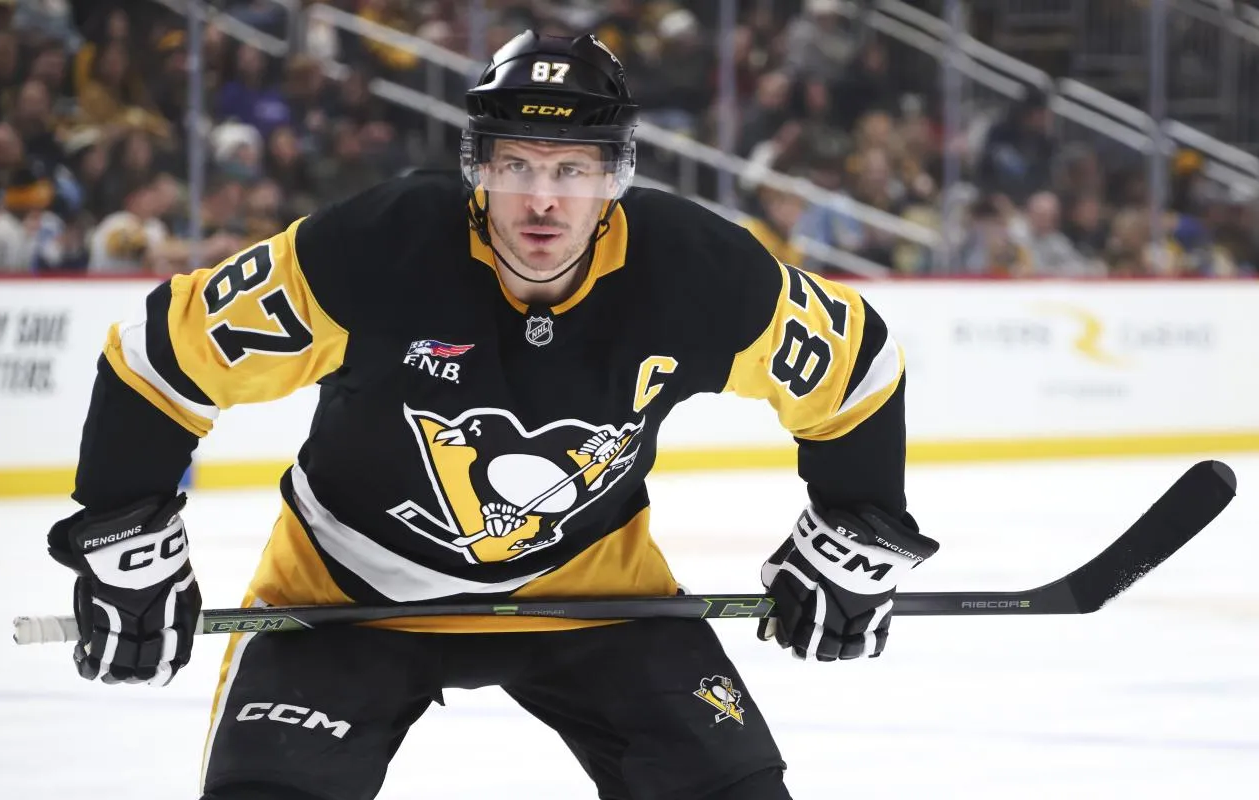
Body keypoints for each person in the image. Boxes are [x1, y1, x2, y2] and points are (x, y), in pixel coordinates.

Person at [46, 31, 938, 800]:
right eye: (515, 164)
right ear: (479, 165)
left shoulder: (696, 272)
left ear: (613, 176)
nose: (542, 199)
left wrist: (853, 533)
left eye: (569, 170)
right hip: (346, 592)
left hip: (595, 595)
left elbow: (857, 369)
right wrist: (129, 546)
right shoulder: (375, 248)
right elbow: (159, 356)